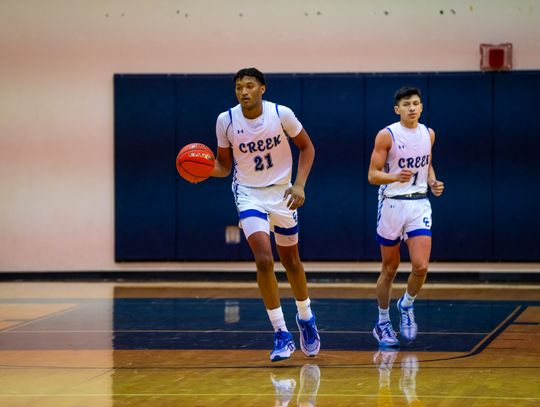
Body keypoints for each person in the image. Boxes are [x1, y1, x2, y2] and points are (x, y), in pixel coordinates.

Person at [210, 68, 320, 362]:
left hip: (283, 192)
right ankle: (281, 333)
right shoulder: (226, 121)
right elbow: (223, 166)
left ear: (262, 89)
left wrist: (299, 184)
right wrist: (203, 171)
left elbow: (307, 148)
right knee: (263, 259)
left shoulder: (281, 114)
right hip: (248, 193)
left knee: (292, 262)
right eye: (238, 87)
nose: (243, 92)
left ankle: (306, 317)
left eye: (249, 86)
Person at [367, 86, 444, 347]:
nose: (412, 108)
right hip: (391, 204)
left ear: (421, 107)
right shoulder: (386, 135)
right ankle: (383, 322)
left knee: (421, 266)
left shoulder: (428, 133)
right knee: (389, 269)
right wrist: (393, 177)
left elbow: (427, 164)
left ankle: (407, 305)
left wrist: (432, 181)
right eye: (406, 104)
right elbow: (372, 175)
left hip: (419, 204)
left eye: (416, 103)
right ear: (397, 109)